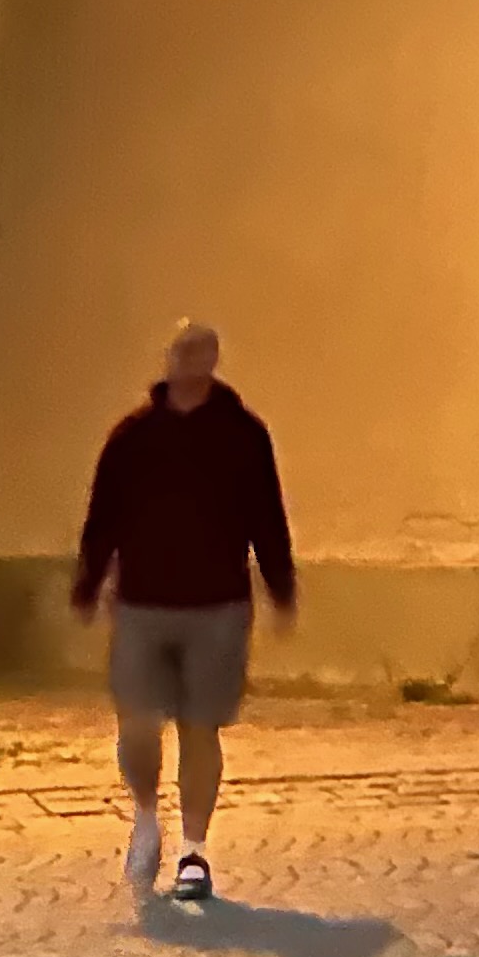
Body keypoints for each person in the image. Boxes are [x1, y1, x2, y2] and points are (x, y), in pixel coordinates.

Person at [74, 321, 297, 904]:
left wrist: (281, 586)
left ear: (214, 360)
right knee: (138, 726)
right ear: (167, 359)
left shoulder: (244, 436)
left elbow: (266, 514)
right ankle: (146, 815)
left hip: (217, 606)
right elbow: (104, 515)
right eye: (179, 351)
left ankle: (193, 851)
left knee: (200, 728)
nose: (188, 361)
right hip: (143, 603)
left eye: (199, 352)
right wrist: (87, 582)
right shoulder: (133, 438)